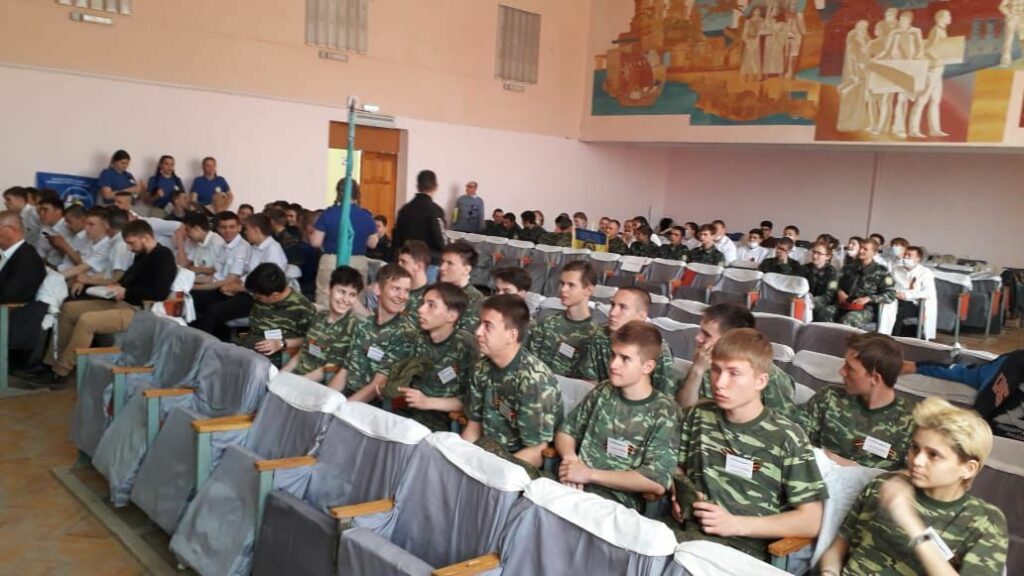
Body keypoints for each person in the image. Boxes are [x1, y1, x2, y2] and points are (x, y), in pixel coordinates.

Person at [667, 328, 827, 562]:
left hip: (743, 549)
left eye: (733, 373)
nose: (720, 383)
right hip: (683, 534)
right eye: (716, 370)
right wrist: (679, 491)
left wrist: (735, 524)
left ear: (760, 381)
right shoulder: (698, 414)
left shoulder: (787, 437)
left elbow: (812, 520)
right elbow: (674, 463)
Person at [818, 397, 1008, 576]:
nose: (917, 460)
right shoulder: (884, 485)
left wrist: (911, 523)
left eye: (933, 455)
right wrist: (829, 572)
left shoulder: (985, 522)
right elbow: (837, 549)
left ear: (968, 468)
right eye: (915, 448)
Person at [555, 321, 679, 511]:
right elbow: (566, 431)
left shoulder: (665, 411)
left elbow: (655, 481)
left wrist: (588, 475)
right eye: (613, 355)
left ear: (647, 367)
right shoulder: (604, 390)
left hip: (615, 505)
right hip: (572, 486)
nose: (613, 364)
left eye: (625, 358)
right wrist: (570, 459)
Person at [42, 220, 176, 382]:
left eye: (132, 243)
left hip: (139, 310)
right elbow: (128, 279)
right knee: (68, 309)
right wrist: (117, 287)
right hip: (122, 301)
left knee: (87, 321)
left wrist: (126, 292)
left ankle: (61, 370)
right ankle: (51, 361)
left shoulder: (163, 256)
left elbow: (159, 292)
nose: (129, 248)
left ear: (146, 238)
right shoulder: (142, 255)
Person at [461, 294, 563, 469]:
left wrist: (491, 470)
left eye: (488, 326)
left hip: (517, 466)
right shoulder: (481, 368)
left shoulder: (534, 381)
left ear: (511, 335)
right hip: (486, 453)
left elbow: (536, 452)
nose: (478, 332)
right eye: (480, 324)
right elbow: (473, 427)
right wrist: (460, 457)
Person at [798, 333, 915, 470]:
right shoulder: (829, 398)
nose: (842, 372)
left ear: (875, 379)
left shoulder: (912, 422)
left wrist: (853, 468)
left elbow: (912, 474)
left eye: (850, 368)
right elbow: (793, 439)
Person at [676, 303, 797, 422]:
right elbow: (682, 414)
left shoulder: (770, 375)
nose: (698, 338)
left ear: (730, 339)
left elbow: (782, 423)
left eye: (707, 335)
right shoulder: (703, 362)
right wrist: (697, 371)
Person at [390, 282, 478, 431]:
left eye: (431, 305)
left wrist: (427, 402)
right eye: (423, 303)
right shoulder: (416, 338)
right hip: (406, 417)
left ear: (452, 315)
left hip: (441, 427)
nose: (420, 310)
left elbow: (472, 400)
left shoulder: (465, 346)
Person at [190, 214, 287, 340]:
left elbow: (266, 286)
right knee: (199, 300)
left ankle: (202, 344)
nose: (245, 233)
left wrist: (237, 288)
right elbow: (244, 273)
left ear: (256, 230)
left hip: (259, 299)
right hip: (243, 291)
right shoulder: (253, 248)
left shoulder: (272, 250)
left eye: (247, 229)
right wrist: (232, 285)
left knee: (213, 311)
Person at [330, 264, 417, 399]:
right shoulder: (364, 325)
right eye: (396, 289)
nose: (402, 296)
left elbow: (377, 385)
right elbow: (345, 370)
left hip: (373, 403)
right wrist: (327, 399)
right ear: (377, 289)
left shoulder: (404, 333)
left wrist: (343, 407)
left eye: (406, 291)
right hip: (347, 395)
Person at [579, 287, 676, 394]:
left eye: (623, 307)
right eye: (613, 305)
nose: (612, 313)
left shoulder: (658, 347)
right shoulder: (599, 336)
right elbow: (589, 382)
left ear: (641, 316)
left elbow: (665, 394)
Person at [283, 266, 367, 382]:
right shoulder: (319, 317)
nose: (345, 299)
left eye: (352, 295)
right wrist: (282, 375)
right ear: (329, 289)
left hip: (317, 385)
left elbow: (329, 369)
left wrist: (296, 382)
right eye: (342, 292)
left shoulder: (352, 327)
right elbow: (302, 352)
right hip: (297, 376)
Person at [526, 261, 602, 378]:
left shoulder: (595, 335)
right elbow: (530, 362)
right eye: (562, 283)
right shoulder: (547, 324)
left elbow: (588, 381)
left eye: (571, 285)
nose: (563, 289)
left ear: (588, 290)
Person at [310, 178, 378, 308]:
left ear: (338, 192)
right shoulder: (366, 216)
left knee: (326, 301)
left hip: (331, 261)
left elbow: (315, 242)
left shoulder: (328, 214)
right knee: (355, 303)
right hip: (357, 261)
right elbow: (372, 243)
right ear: (357, 193)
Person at [239, 263, 316, 360]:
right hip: (251, 351)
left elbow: (314, 343)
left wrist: (282, 343)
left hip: (280, 358)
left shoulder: (302, 308)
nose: (254, 298)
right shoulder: (262, 296)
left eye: (258, 297)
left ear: (274, 295)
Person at [0, 211, 48, 361]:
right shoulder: (12, 254)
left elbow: (10, 295)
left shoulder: (27, 258)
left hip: (13, 315)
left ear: (10, 230)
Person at [830, 238, 896, 328]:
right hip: (844, 304)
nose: (861, 251)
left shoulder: (882, 271)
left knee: (849, 319)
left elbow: (891, 294)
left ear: (874, 253)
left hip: (865, 309)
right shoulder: (849, 267)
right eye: (861, 248)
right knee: (825, 313)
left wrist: (868, 298)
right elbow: (834, 283)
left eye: (865, 249)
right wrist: (839, 291)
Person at [392, 170, 446, 266]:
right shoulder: (435, 210)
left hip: (407, 261)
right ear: (436, 187)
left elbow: (396, 239)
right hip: (429, 262)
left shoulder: (404, 210)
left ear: (417, 186)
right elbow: (440, 240)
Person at [438, 241, 485, 331]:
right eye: (442, 262)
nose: (442, 268)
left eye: (450, 263)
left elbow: (465, 334)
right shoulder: (435, 291)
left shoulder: (474, 299)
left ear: (466, 270)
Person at [892, 245, 937, 339]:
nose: (906, 257)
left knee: (899, 310)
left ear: (918, 259)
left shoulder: (925, 272)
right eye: (905, 254)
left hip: (915, 304)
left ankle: (894, 338)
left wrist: (906, 295)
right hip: (894, 299)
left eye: (909, 255)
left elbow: (928, 292)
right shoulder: (896, 270)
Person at [58, 208, 114, 282]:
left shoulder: (108, 245)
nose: (86, 228)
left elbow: (82, 268)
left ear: (105, 226)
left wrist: (55, 278)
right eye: (86, 224)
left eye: (91, 224)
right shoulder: (89, 242)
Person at [173, 212, 225, 279]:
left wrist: (198, 269)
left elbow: (221, 269)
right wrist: (180, 243)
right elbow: (182, 264)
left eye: (188, 231)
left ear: (196, 228)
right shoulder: (197, 243)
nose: (188, 235)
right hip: (196, 278)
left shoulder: (217, 242)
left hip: (210, 281)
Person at [802, 240, 840, 322]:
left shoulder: (832, 272)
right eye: (814, 252)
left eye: (819, 253)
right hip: (805, 300)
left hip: (823, 304)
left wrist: (811, 301)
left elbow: (828, 296)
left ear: (828, 257)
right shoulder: (804, 269)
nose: (815, 256)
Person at [32, 196, 72, 266]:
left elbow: (72, 258)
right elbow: (41, 254)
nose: (41, 213)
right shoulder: (44, 228)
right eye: (40, 210)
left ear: (58, 212)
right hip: (48, 266)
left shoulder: (69, 227)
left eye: (45, 210)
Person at [395, 240, 431, 313]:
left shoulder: (429, 298)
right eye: (398, 261)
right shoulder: (394, 290)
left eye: (403, 262)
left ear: (419, 266)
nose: (399, 265)